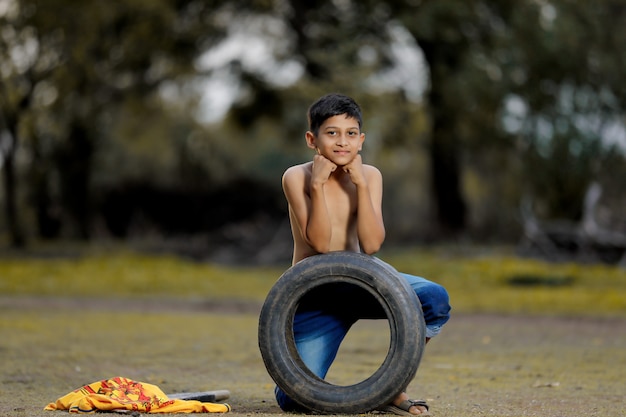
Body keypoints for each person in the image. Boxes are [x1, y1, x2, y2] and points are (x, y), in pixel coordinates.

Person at [276, 93, 451, 416]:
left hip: (364, 282)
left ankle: (391, 388)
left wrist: (362, 186)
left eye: (351, 133)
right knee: (294, 399)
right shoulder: (296, 177)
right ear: (312, 140)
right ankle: (308, 380)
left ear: (361, 140)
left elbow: (371, 246)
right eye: (332, 133)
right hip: (316, 292)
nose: (342, 142)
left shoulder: (370, 176)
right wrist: (318, 185)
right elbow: (322, 246)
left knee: (435, 299)